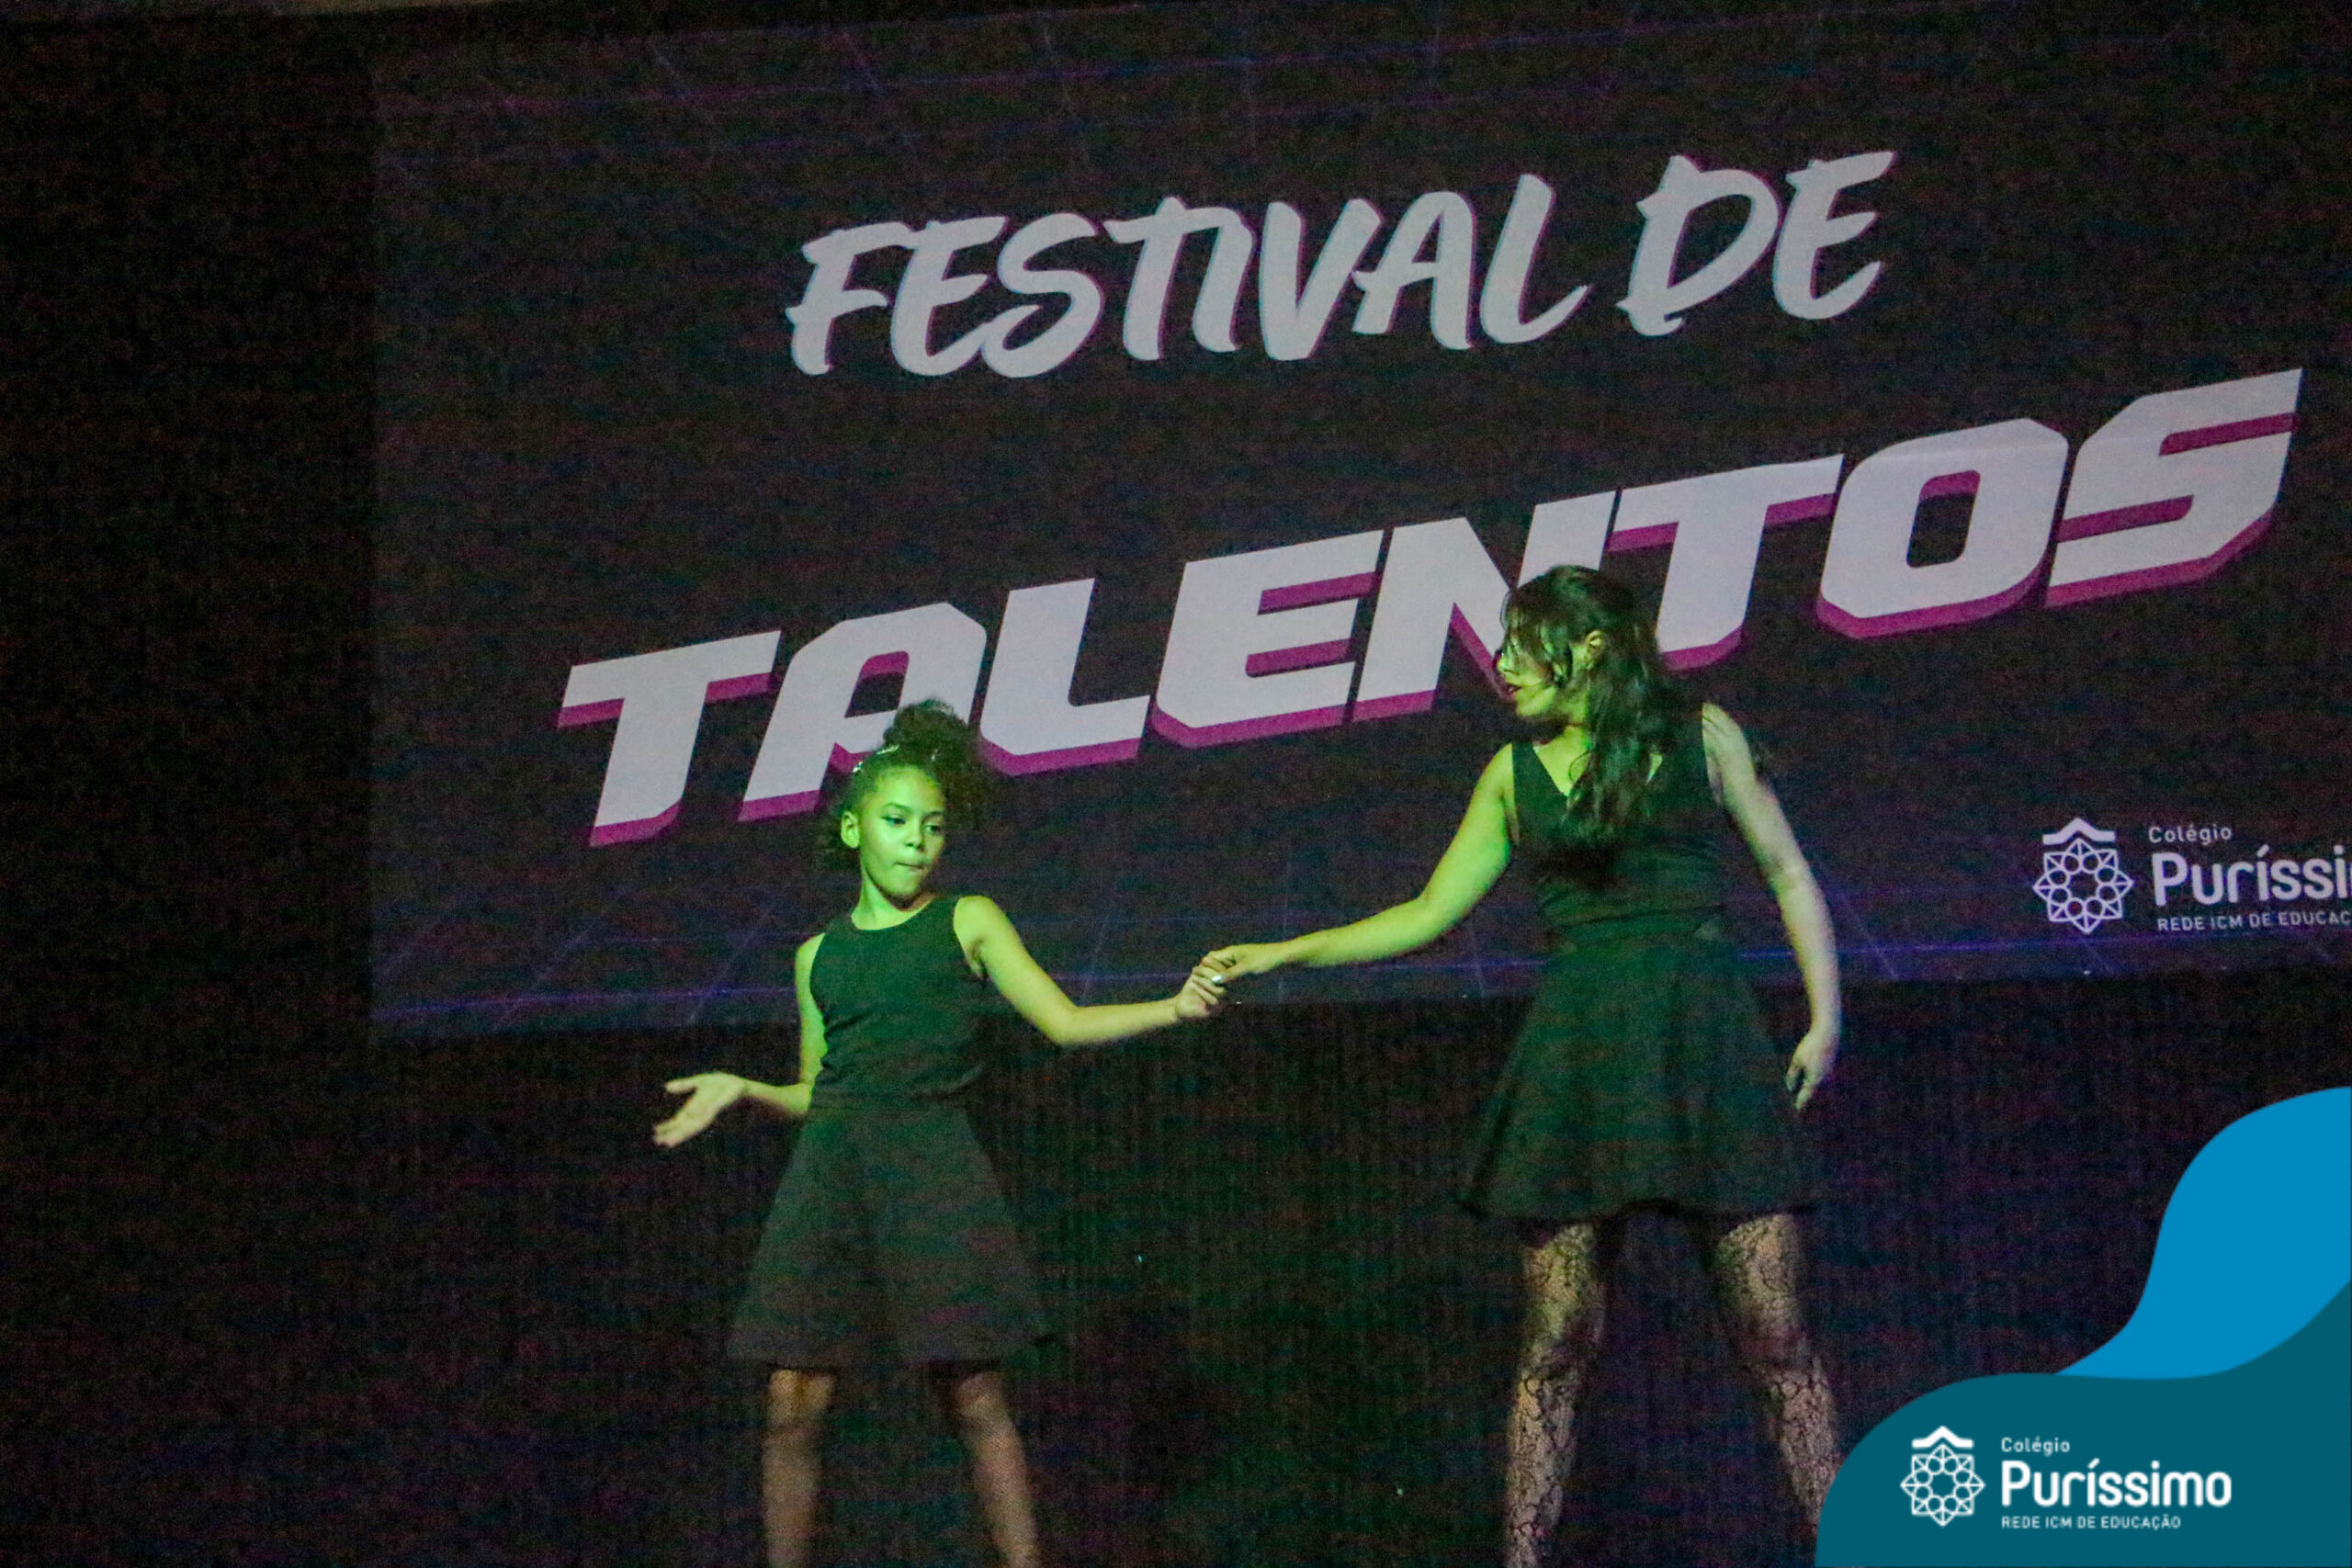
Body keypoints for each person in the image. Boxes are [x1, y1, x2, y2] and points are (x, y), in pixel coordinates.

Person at [1201, 565, 1843, 1565]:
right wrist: (1283, 952)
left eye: (1520, 644)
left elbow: (1789, 871)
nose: (1502, 665)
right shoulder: (1511, 773)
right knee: (1554, 1344)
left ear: (1588, 647)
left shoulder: (1704, 736)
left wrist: (1825, 1017)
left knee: (1775, 1334)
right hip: (1578, 1059)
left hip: (1704, 1047)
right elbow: (1426, 912)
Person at [656, 700, 1226, 1568]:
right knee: (791, 1403)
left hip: (931, 1170)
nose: (917, 841)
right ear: (854, 829)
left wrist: (1175, 1008)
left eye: (932, 826)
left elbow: (1065, 1023)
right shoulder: (817, 954)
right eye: (896, 821)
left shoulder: (968, 920)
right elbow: (819, 1089)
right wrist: (744, 1089)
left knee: (973, 1395)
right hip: (830, 1177)